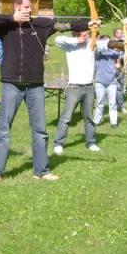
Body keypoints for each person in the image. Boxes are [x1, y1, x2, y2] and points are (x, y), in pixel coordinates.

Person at [0, 0, 65, 182]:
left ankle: (41, 171)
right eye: (26, 7)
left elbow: (64, 25)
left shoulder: (38, 26)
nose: (30, 10)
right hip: (11, 84)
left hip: (35, 85)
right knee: (4, 128)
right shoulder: (5, 27)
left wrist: (89, 24)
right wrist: (11, 19)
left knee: (40, 129)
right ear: (17, 7)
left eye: (31, 7)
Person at [52, 19, 102, 155]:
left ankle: (91, 142)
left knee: (89, 117)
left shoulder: (92, 44)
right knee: (67, 117)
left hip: (89, 86)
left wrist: (124, 44)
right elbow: (58, 39)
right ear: (76, 34)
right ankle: (58, 143)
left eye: (87, 33)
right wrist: (77, 40)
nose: (86, 35)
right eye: (84, 33)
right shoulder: (70, 45)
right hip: (74, 86)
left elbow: (106, 43)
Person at [93, 35, 123, 129]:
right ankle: (96, 121)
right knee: (100, 102)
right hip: (99, 81)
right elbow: (99, 48)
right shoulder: (97, 53)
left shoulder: (113, 53)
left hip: (111, 81)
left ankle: (113, 122)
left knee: (112, 103)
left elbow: (122, 53)